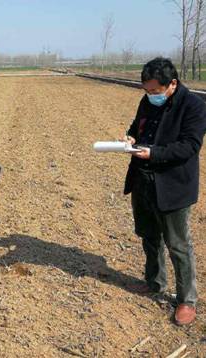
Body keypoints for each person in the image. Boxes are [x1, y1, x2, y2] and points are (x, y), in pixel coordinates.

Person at [123, 57, 206, 325]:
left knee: (178, 245)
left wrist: (154, 153)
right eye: (146, 90)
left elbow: (190, 146)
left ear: (172, 83)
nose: (150, 96)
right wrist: (131, 137)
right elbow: (137, 127)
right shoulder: (147, 101)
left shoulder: (193, 106)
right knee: (149, 236)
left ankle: (186, 301)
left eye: (155, 91)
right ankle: (155, 282)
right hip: (143, 181)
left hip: (173, 186)